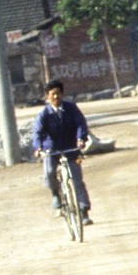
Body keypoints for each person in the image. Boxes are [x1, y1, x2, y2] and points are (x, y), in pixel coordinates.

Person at [32, 79, 92, 224]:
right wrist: (38, 148)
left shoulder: (71, 108)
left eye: (58, 93)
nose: (56, 97)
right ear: (47, 96)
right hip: (52, 149)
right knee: (49, 172)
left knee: (77, 180)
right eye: (52, 94)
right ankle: (55, 193)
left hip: (71, 147)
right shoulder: (44, 114)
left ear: (62, 94)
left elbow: (81, 124)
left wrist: (81, 139)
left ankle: (84, 211)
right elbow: (37, 133)